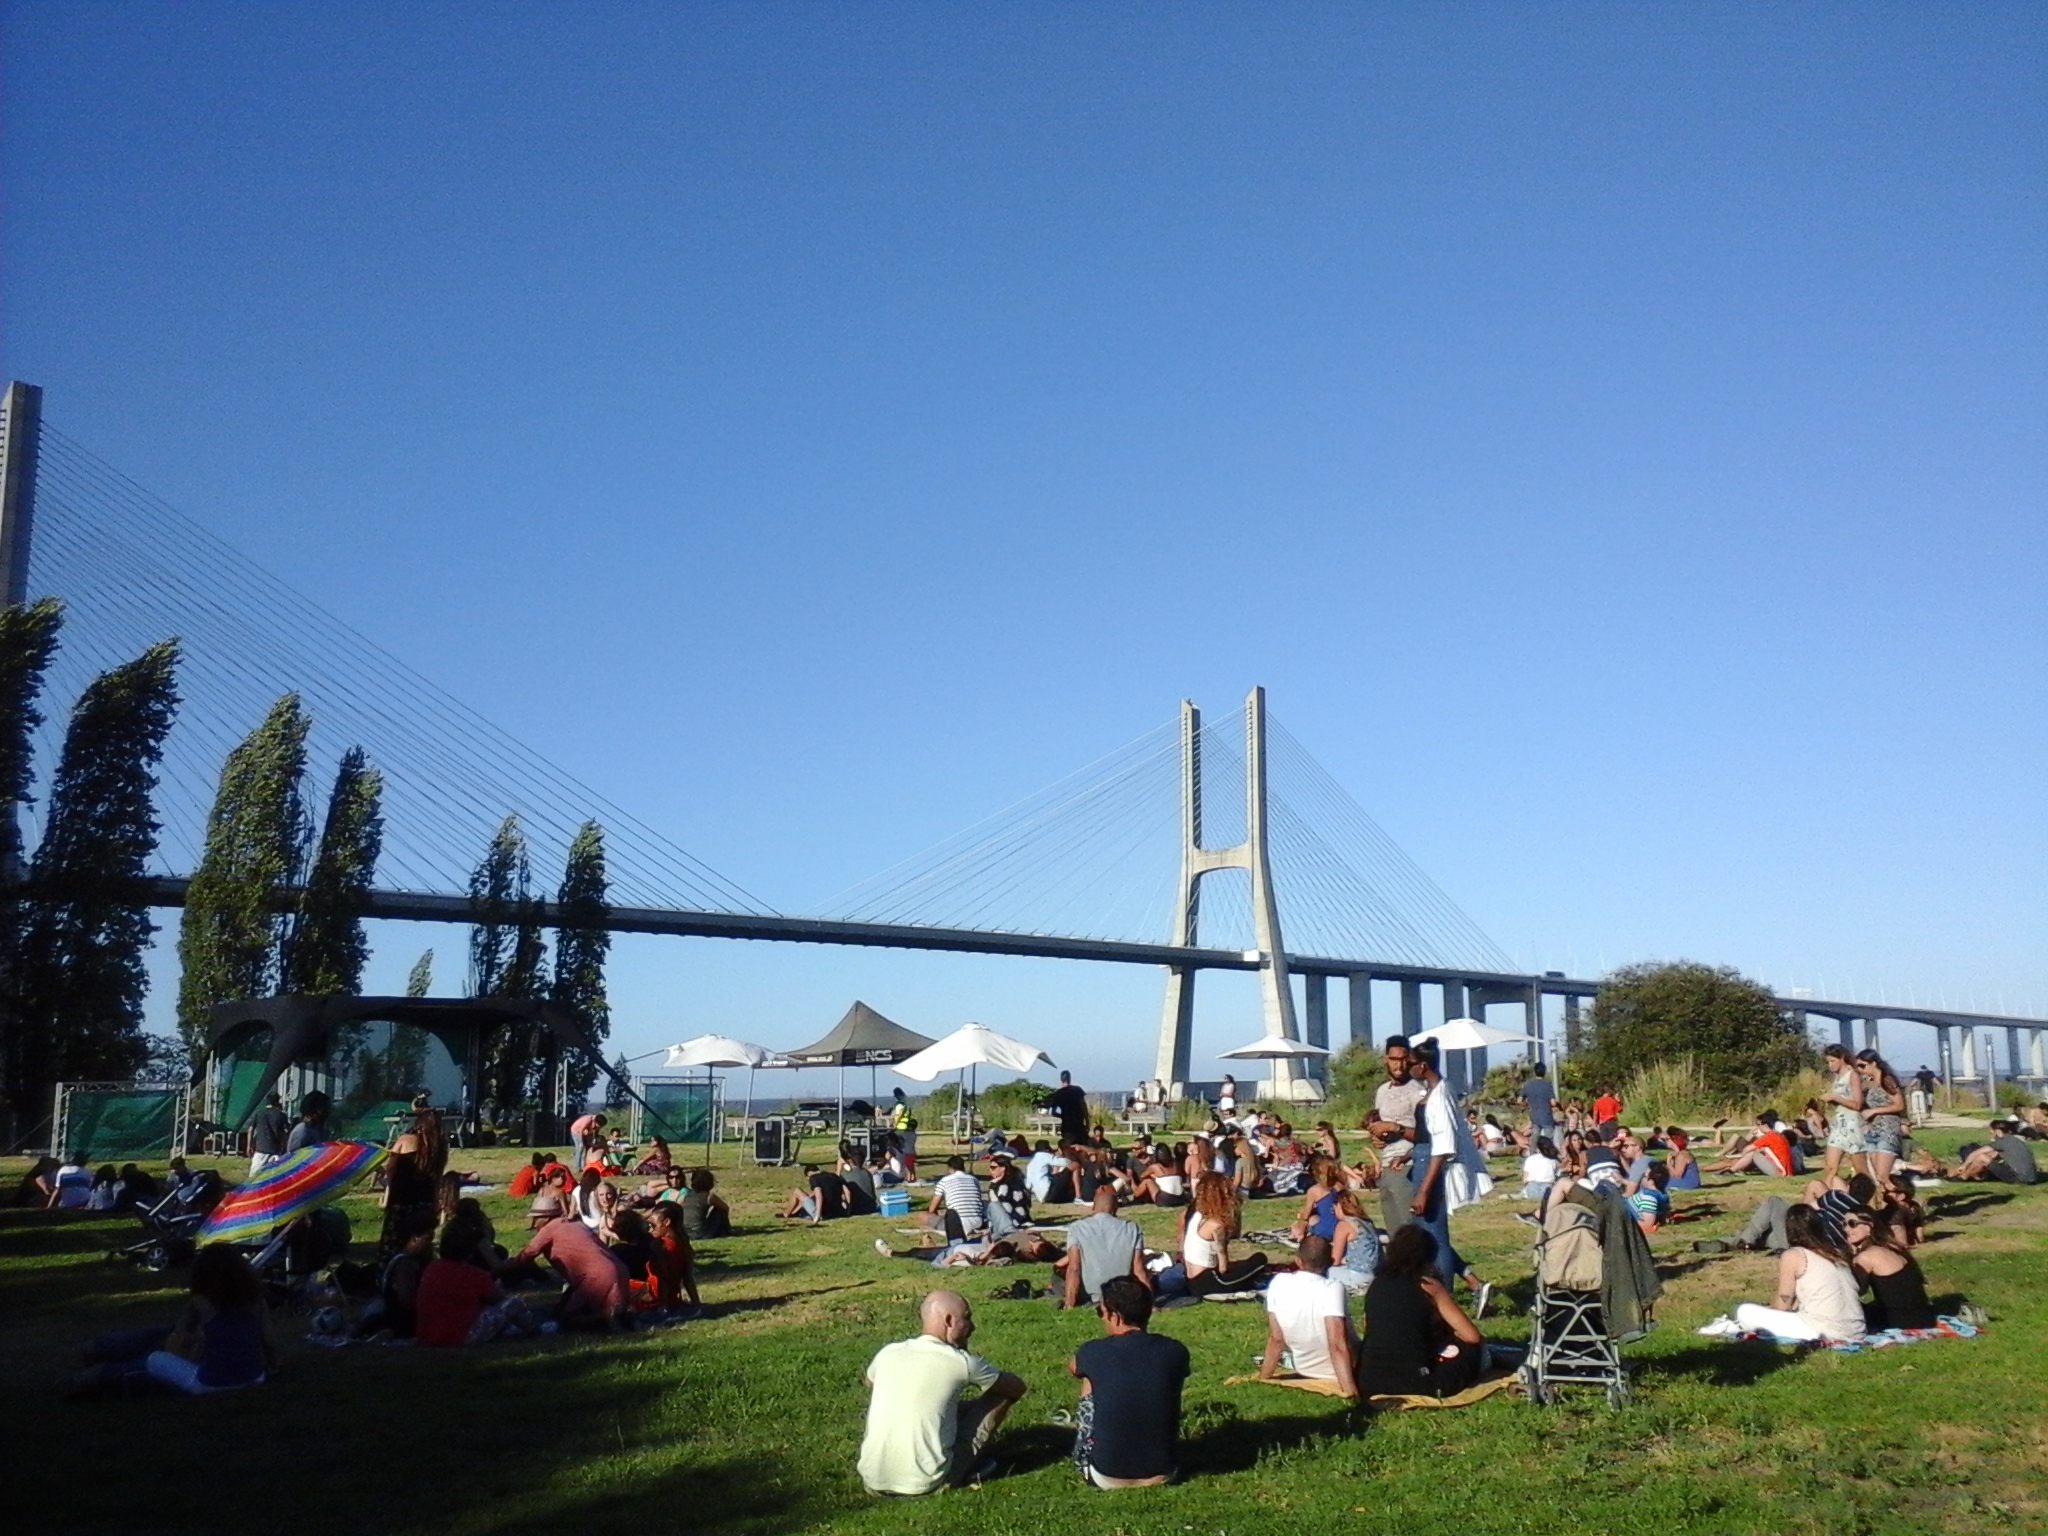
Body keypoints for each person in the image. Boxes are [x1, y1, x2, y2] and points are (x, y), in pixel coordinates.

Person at [857, 1290, 1027, 1495]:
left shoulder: (888, 1352)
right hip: (927, 1484)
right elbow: (1016, 1387)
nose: (972, 1327)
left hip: (872, 1481)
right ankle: (964, 1468)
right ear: (949, 1321)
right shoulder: (961, 1361)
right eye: (967, 1318)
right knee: (1001, 1396)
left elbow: (870, 1382)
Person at [71, 1245, 275, 1395]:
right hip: (254, 1378)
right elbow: (268, 1340)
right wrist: (272, 1365)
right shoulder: (256, 1300)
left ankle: (85, 1373)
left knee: (155, 1358)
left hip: (210, 1383)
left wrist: (194, 1339)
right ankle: (93, 1363)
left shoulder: (201, 1303)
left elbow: (184, 1335)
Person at [1067, 1275, 1188, 1489]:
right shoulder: (1176, 1351)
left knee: (1089, 1378)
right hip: (1165, 1472)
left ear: (1115, 1317)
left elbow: (1073, 1368)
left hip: (1104, 1475)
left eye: (1101, 1313)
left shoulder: (1093, 1351)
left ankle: (1095, 1447)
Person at [1408, 1039, 1493, 1313]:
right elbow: (1428, 1136)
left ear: (1423, 1066)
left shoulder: (1439, 1096)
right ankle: (1464, 1285)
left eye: (1411, 1064)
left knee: (1435, 1236)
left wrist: (1424, 1190)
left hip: (1431, 1166)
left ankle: (1445, 1297)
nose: (1408, 1068)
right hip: (1422, 1158)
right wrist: (1407, 1156)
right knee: (1425, 1231)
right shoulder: (1434, 1091)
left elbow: (1442, 1147)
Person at [1355, 1224, 1486, 1399]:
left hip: (1370, 1380)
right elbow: (1471, 1336)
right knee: (1473, 1350)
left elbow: (1368, 1327)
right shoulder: (1429, 1286)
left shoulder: (1375, 1285)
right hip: (1417, 1382)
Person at [1706, 1205, 1865, 1343]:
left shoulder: (1794, 1255)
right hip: (1857, 1329)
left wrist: (1769, 1309)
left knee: (1744, 1311)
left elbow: (1783, 1304)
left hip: (1823, 1330)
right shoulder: (1838, 1254)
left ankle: (1733, 1325)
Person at [1259, 1235, 1357, 1398]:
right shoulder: (1332, 1288)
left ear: (1298, 1261)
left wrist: (1264, 1377)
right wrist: (1350, 1391)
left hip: (1304, 1369)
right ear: (1331, 1261)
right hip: (1341, 1371)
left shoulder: (1278, 1282)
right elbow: (1337, 1344)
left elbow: (1276, 1340)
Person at [416, 1223, 536, 1346]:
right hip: (462, 1336)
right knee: (514, 1303)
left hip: (428, 1336)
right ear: (470, 1251)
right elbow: (496, 1299)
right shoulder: (472, 1274)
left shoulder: (432, 1268)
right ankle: (534, 1330)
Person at [509, 1212, 630, 1329]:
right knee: (615, 1306)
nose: (534, 1224)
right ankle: (616, 1317)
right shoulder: (577, 1224)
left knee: (567, 1319)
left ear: (546, 1218)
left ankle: (606, 1318)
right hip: (618, 1269)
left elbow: (527, 1255)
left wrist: (501, 1268)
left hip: (595, 1277)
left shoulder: (549, 1229)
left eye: (536, 1219)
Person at [1366, 1036, 1428, 1235]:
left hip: (1407, 1165)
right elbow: (1379, 1124)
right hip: (1386, 1165)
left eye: (1403, 1059)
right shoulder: (1382, 1091)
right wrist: (1377, 1137)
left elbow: (1426, 1136)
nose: (1399, 1065)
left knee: (1408, 1228)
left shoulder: (1418, 1092)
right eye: (1394, 1059)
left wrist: (1396, 1128)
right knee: (1393, 1229)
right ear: (1386, 1059)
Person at [1841, 1206, 1935, 1331]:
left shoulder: (1866, 1257)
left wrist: (1849, 1258)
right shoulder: (1892, 1246)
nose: (1846, 1229)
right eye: (1844, 1224)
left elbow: (1854, 1291)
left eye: (1852, 1224)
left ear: (1869, 1227)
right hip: (1923, 1315)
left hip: (1901, 1320)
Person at [1059, 1187, 1148, 1310]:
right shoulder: (1132, 1228)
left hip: (1091, 1296)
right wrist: (1150, 1303)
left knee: (1057, 1279)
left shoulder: (1077, 1228)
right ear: (1115, 1208)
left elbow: (1074, 1268)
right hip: (1121, 1294)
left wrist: (1069, 1305)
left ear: (1093, 1207)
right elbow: (1138, 1269)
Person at [1182, 1172, 1269, 1296]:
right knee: (1259, 1260)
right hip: (1210, 1282)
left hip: (1190, 1280)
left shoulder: (1196, 1216)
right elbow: (1223, 1267)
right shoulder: (1217, 1225)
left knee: (1242, 1265)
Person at [1855, 1050, 1906, 1186]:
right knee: (1878, 1179)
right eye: (1858, 1067)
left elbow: (1899, 1105)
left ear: (1874, 1063)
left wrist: (1874, 1111)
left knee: (1882, 1176)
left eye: (1863, 1066)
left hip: (1887, 1131)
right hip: (1872, 1131)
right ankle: (1887, 1197)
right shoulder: (1868, 1083)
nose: (1860, 1070)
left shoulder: (1887, 1080)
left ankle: (1902, 1195)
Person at [1820, 1044, 1867, 1181]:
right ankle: (1826, 1191)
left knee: (1860, 1170)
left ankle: (1871, 1193)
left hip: (1852, 1125)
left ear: (1842, 1058)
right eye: (1828, 1062)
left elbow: (1857, 1104)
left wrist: (1836, 1098)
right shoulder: (1837, 1077)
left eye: (1833, 1061)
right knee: (1830, 1168)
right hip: (1838, 1125)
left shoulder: (1852, 1075)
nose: (1830, 1065)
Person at [1952, 1120, 2039, 1184]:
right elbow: (1992, 1156)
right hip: (2031, 1178)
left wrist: (1964, 1165)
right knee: (1984, 1159)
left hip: (2018, 1178)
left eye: (1992, 1132)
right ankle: (1970, 1175)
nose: (1991, 1134)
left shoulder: (2002, 1141)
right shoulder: (2016, 1140)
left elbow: (1976, 1153)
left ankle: (1963, 1177)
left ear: (1998, 1132)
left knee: (1981, 1157)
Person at [1330, 1190, 1381, 1291]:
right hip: (1373, 1275)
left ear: (1339, 1206)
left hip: (1356, 1277)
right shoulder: (1367, 1223)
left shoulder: (1343, 1225)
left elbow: (1335, 1260)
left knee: (1322, 1272)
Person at [672, 1167, 732, 1239]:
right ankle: (726, 1232)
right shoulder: (709, 1196)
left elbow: (676, 1208)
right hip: (702, 1234)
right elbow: (725, 1208)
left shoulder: (685, 1195)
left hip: (685, 1233)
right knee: (720, 1211)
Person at [780, 1163, 847, 1224]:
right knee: (806, 1196)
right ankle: (792, 1213)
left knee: (797, 1191)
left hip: (823, 1214)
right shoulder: (834, 1176)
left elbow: (819, 1196)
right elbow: (846, 1192)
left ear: (809, 1174)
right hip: (837, 1212)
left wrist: (817, 1215)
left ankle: (785, 1214)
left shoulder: (814, 1178)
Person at [1042, 1071, 1091, 1149]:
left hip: (1067, 1125)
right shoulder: (1077, 1090)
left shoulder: (1058, 1094)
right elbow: (1083, 1106)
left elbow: (1052, 1111)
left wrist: (1062, 1115)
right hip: (1079, 1123)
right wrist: (1087, 1120)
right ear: (1070, 1078)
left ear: (1061, 1079)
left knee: (1069, 1147)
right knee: (1082, 1146)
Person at [250, 1093, 290, 1176]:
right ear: (277, 1102)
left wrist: (249, 1146)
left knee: (254, 1178)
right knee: (276, 1178)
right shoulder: (281, 1115)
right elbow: (285, 1133)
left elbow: (250, 1130)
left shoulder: (259, 1113)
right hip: (276, 1152)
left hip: (260, 1151)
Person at [1629, 1161, 1671, 1233]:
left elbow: (1646, 1226)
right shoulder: (1662, 1195)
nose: (1641, 1178)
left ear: (1651, 1181)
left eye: (1644, 1176)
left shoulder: (1648, 1198)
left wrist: (1627, 1222)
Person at [1518, 1062, 1557, 1139]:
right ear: (1544, 1072)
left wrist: (1526, 1105)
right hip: (1547, 1117)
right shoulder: (1548, 1085)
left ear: (1535, 1072)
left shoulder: (1528, 1085)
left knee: (1534, 1138)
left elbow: (1519, 1101)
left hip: (1534, 1117)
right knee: (1548, 1140)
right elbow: (1553, 1103)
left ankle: (1533, 1147)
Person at [839, 1146, 879, 1216]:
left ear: (851, 1160)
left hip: (856, 1209)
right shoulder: (867, 1173)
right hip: (871, 1207)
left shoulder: (845, 1175)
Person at [1519, 1138, 1560, 1203]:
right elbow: (1558, 1175)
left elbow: (1525, 1179)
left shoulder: (1530, 1159)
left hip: (1532, 1185)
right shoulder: (1554, 1160)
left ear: (1538, 1148)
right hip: (1548, 1185)